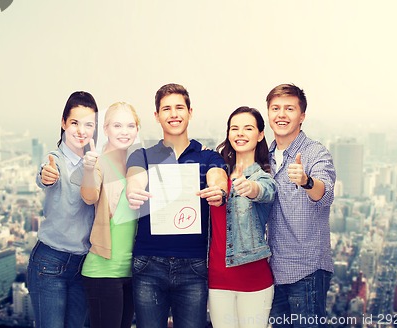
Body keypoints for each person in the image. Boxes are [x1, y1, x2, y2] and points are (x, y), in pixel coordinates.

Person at [126, 83, 228, 328]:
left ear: (190, 112)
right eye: (166, 109)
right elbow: (135, 176)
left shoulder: (208, 156)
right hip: (148, 263)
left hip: (193, 265)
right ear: (157, 116)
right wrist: (133, 189)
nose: (173, 114)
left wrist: (219, 189)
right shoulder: (143, 155)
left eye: (179, 108)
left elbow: (217, 175)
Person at [265, 84, 336, 328]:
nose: (281, 115)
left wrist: (306, 181)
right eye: (275, 108)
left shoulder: (315, 153)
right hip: (272, 271)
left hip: (306, 271)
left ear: (302, 116)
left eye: (289, 108)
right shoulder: (265, 156)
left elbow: (324, 193)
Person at [27, 91, 98, 328]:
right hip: (49, 262)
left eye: (88, 124)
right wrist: (46, 176)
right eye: (75, 123)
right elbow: (45, 175)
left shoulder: (96, 163)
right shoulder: (54, 160)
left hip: (84, 265)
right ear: (63, 123)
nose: (81, 130)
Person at [208, 106, 277, 328]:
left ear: (260, 135)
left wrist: (251, 188)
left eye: (248, 128)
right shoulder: (217, 174)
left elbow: (265, 191)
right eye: (234, 128)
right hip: (217, 279)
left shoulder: (262, 176)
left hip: (254, 280)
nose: (240, 133)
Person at [80, 102, 141, 328]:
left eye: (130, 125)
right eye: (117, 125)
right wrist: (88, 168)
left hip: (130, 270)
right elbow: (89, 195)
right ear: (105, 129)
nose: (124, 131)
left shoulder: (135, 164)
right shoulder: (98, 162)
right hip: (103, 270)